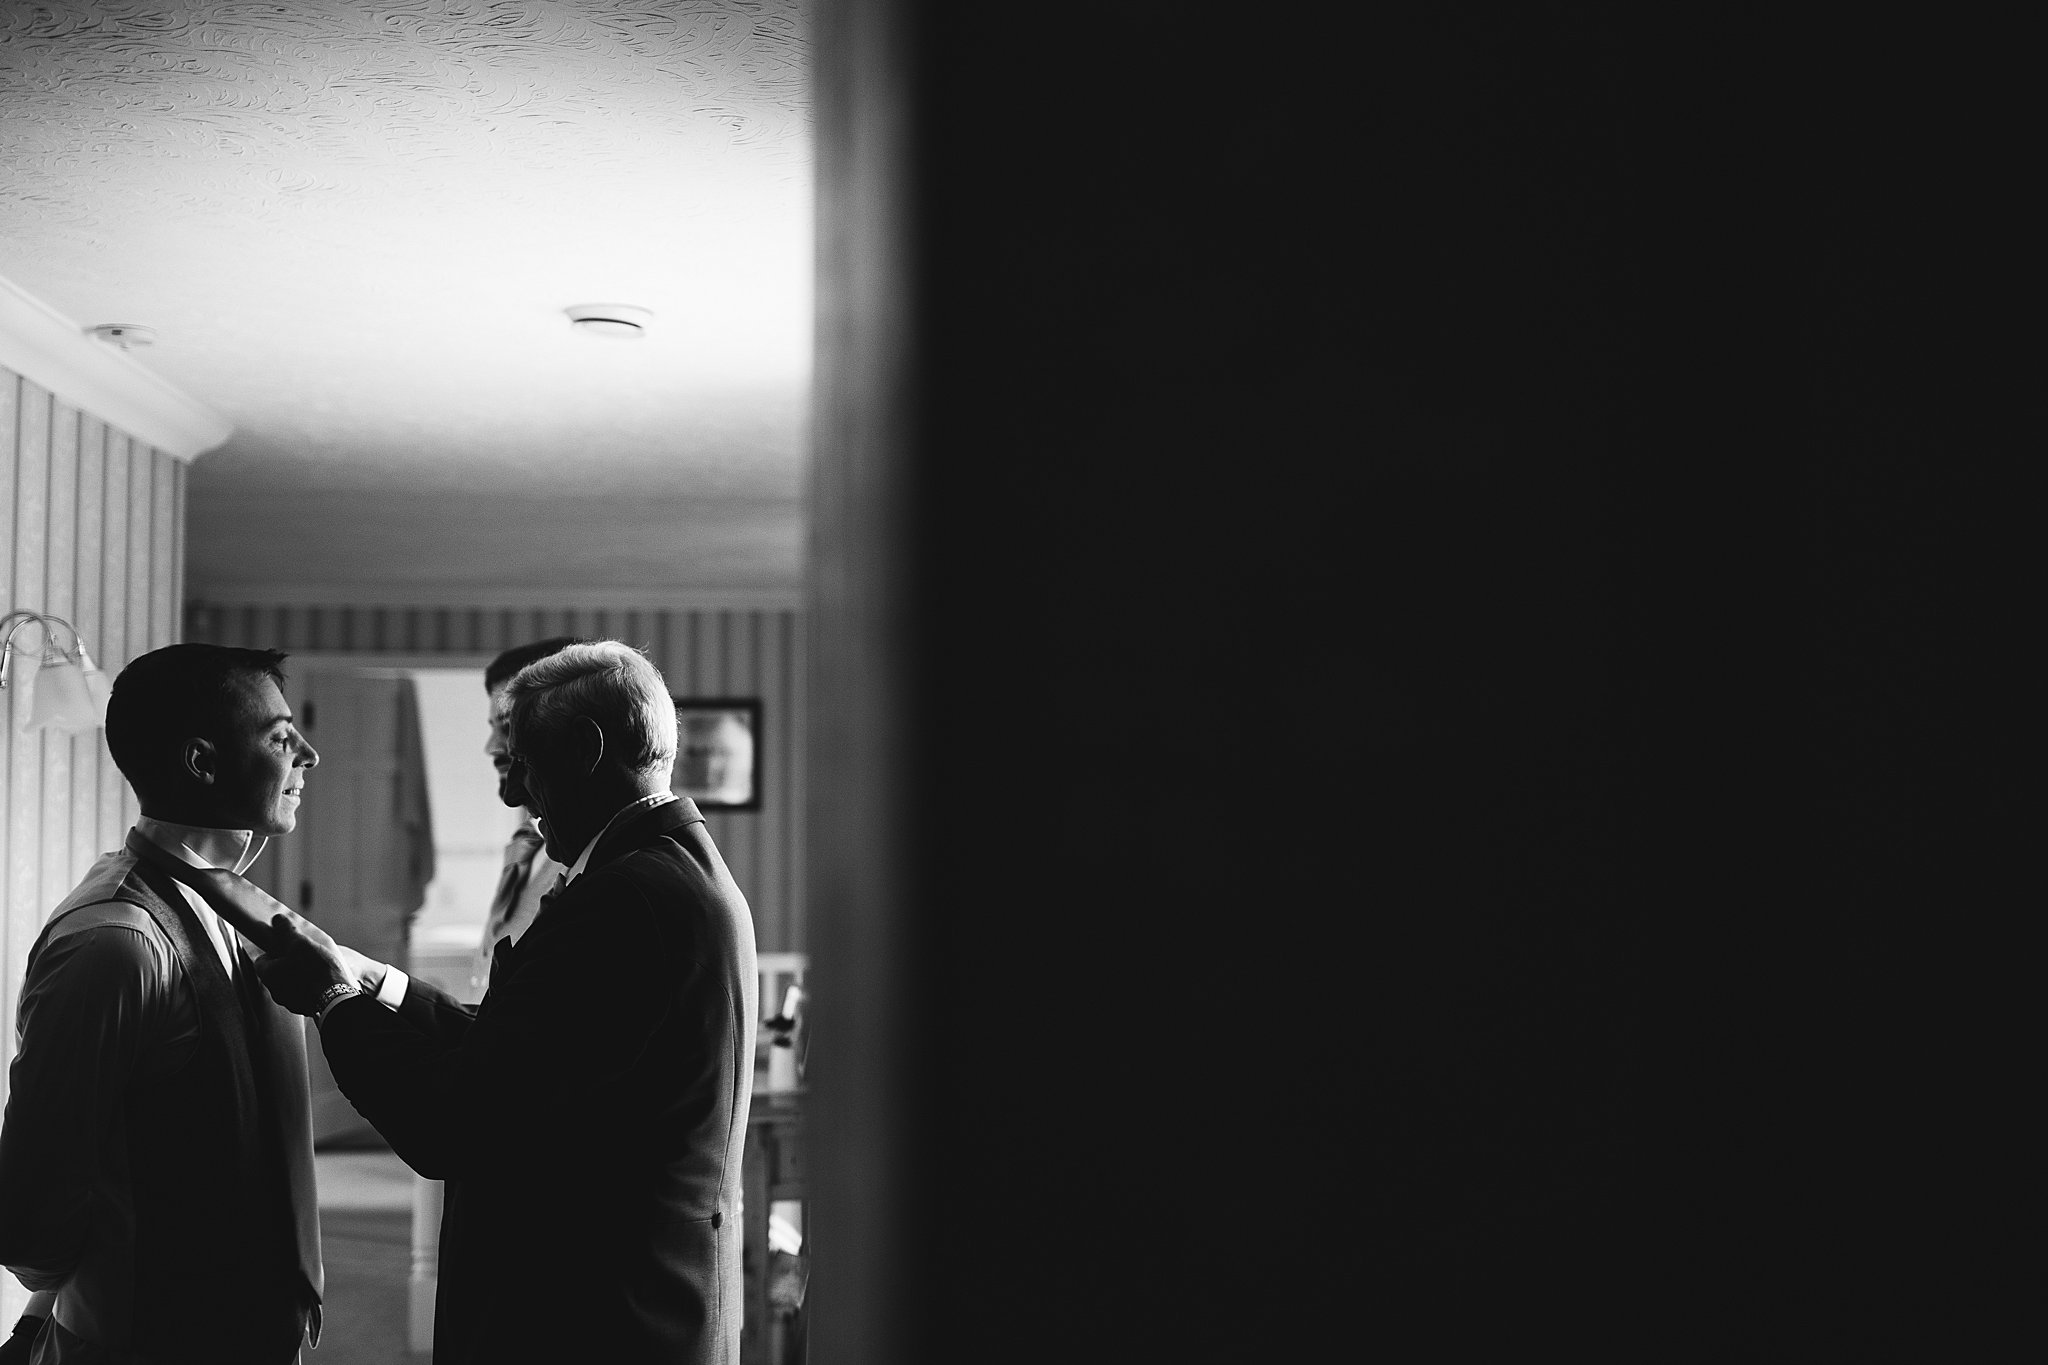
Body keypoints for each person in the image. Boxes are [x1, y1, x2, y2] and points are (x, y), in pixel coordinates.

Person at [248, 641, 759, 1364]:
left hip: (590, 1319)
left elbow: (450, 1122)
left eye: (522, 761)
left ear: (586, 748)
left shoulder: (622, 900)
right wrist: (373, 980)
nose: (513, 791)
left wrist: (330, 998)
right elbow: (523, 1049)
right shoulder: (676, 870)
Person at [0, 644, 399, 1364]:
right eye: (281, 736)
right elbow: (38, 1206)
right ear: (201, 761)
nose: (309, 752)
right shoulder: (114, 943)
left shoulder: (242, 914)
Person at [470, 636, 582, 996]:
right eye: (492, 727)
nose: (491, 747)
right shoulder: (525, 846)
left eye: (507, 726)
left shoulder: (590, 862)